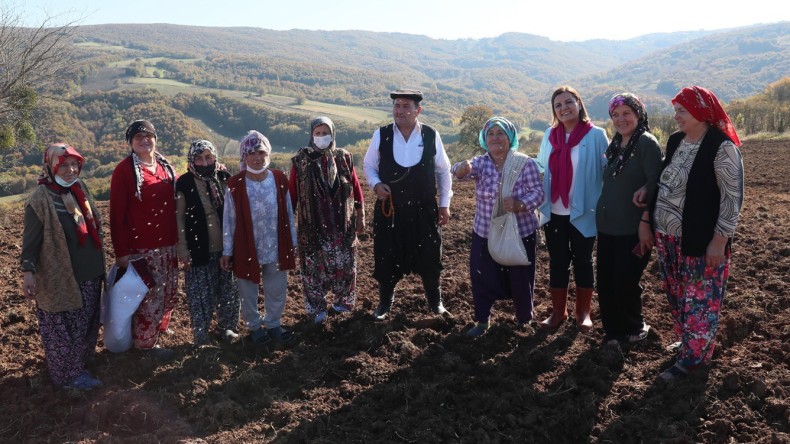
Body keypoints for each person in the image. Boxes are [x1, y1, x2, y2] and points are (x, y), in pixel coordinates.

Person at [637, 86, 744, 380]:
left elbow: (732, 199)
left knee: (700, 299)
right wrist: (648, 204)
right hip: (668, 237)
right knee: (679, 295)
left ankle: (693, 361)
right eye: (676, 110)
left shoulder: (721, 148)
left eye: (681, 111)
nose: (676, 117)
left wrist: (719, 241)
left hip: (701, 240)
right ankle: (688, 343)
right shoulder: (676, 142)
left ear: (701, 111)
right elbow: (663, 180)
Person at [20, 144, 105, 390]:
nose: (70, 170)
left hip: (89, 272)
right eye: (63, 165)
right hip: (61, 278)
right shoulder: (40, 199)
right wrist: (28, 273)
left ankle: (80, 363)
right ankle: (68, 377)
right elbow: (31, 242)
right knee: (62, 328)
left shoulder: (80, 189)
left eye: (74, 164)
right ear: (50, 166)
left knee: (86, 322)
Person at [363, 88, 453, 320]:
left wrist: (444, 204)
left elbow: (443, 171)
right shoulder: (381, 135)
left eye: (406, 106)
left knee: (430, 257)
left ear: (417, 110)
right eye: (397, 106)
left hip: (424, 210)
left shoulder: (431, 135)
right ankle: (384, 304)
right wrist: (375, 184)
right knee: (386, 255)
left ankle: (436, 303)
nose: (400, 111)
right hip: (391, 210)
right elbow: (369, 166)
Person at [452, 117, 544, 337]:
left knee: (521, 279)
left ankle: (523, 321)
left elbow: (538, 193)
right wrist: (462, 168)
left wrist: (521, 204)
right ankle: (483, 321)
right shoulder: (481, 163)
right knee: (481, 276)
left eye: (500, 133)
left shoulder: (524, 163)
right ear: (484, 139)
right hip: (484, 232)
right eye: (490, 134)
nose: (495, 138)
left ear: (510, 137)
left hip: (519, 233)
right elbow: (458, 172)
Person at [535, 86, 608, 333]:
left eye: (568, 102)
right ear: (554, 111)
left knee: (583, 260)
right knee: (557, 261)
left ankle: (583, 312)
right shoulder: (549, 135)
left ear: (579, 103)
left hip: (584, 210)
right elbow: (540, 166)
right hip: (554, 209)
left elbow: (606, 171)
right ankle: (558, 312)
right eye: (558, 105)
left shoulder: (596, 135)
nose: (563, 108)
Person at [595, 93, 662, 345]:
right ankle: (613, 331)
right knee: (606, 280)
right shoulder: (616, 143)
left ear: (638, 114)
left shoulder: (646, 142)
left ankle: (634, 327)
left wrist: (646, 221)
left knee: (625, 279)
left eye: (626, 113)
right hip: (608, 225)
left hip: (633, 227)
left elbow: (656, 180)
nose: (621, 119)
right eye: (616, 114)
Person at [110, 120, 178, 361]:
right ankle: (145, 346)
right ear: (130, 142)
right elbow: (117, 216)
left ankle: (153, 333)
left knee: (168, 292)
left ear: (155, 139)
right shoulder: (124, 171)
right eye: (138, 137)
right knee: (150, 296)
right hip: (142, 248)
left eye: (148, 135)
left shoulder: (164, 166)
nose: (144, 140)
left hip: (169, 245)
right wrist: (122, 254)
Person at [221, 130, 297, 344]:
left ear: (268, 153)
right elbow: (229, 219)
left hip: (275, 244)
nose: (257, 157)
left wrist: (292, 241)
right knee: (248, 289)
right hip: (247, 246)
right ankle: (254, 327)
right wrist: (227, 250)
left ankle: (273, 324)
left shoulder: (279, 179)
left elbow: (289, 212)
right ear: (244, 157)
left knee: (277, 288)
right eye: (251, 153)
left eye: (261, 152)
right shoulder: (235, 185)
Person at [289, 117, 366, 324]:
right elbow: (292, 194)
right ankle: (316, 309)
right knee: (313, 270)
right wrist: (288, 224)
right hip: (311, 227)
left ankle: (343, 304)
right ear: (311, 135)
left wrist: (360, 214)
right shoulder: (301, 160)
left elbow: (356, 187)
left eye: (326, 133)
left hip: (342, 226)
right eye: (318, 133)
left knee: (346, 267)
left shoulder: (344, 158)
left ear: (333, 134)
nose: (322, 137)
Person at [176, 140, 240, 345]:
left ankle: (227, 328)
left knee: (229, 290)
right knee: (200, 296)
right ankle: (201, 337)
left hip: (227, 248)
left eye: (208, 157)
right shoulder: (184, 183)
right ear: (192, 160)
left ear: (215, 158)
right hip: (199, 249)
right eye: (199, 158)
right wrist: (183, 251)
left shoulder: (223, 178)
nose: (204, 162)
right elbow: (178, 219)